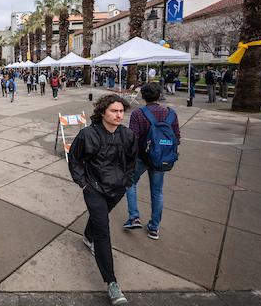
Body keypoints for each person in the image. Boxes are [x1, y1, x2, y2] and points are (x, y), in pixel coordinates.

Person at [68, 94, 137, 306]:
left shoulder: (127, 135)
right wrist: (84, 183)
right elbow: (75, 159)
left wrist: (126, 181)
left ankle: (87, 237)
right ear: (103, 112)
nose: (118, 115)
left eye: (121, 111)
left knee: (99, 219)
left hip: (117, 189)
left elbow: (132, 161)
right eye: (113, 111)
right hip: (94, 189)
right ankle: (111, 283)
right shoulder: (87, 134)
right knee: (103, 231)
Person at [124, 83, 180, 241]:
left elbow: (133, 138)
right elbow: (176, 137)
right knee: (157, 192)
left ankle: (134, 217)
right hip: (161, 158)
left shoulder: (138, 113)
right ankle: (154, 227)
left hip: (142, 157)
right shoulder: (171, 114)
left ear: (143, 96)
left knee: (130, 182)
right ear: (159, 95)